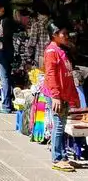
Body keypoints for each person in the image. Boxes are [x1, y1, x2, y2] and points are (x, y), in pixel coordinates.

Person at [44, 21, 80, 172]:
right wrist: (56, 96)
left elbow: (67, 75)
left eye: (66, 33)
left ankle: (63, 156)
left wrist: (72, 96)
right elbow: (51, 74)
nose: (66, 36)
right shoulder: (51, 51)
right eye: (63, 34)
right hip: (56, 95)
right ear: (54, 36)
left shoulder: (61, 49)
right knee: (58, 126)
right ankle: (57, 158)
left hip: (63, 94)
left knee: (62, 125)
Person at [0, 0, 15, 114]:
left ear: (3, 9)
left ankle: (6, 106)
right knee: (5, 77)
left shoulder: (6, 21)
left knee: (5, 77)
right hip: (1, 51)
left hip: (5, 51)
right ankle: (6, 103)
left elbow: (5, 38)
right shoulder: (2, 21)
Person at [27, 2, 51, 69]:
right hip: (53, 56)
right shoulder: (53, 23)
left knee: (42, 77)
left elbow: (32, 43)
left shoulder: (36, 25)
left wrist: (28, 56)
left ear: (38, 13)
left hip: (41, 57)